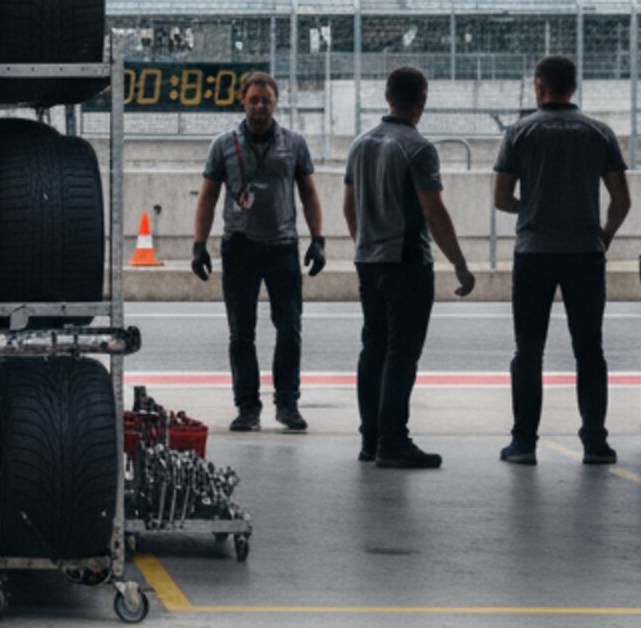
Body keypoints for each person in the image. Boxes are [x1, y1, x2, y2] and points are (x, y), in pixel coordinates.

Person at [492, 54, 631, 467]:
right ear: (574, 86)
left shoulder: (520, 133)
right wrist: (601, 237)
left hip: (534, 253)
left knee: (528, 350)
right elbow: (621, 201)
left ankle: (523, 444)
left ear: (539, 86)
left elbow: (501, 199)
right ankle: (595, 443)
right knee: (590, 349)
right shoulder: (599, 133)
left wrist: (534, 207)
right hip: (584, 252)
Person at [342, 65, 477, 468]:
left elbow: (349, 207)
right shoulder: (419, 148)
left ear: (387, 97)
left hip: (369, 261)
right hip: (405, 263)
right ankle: (394, 441)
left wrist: (365, 244)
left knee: (373, 349)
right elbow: (433, 213)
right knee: (402, 354)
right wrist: (460, 265)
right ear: (422, 100)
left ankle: (370, 439)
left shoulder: (360, 145)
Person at [191, 69, 328, 431]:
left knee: (290, 329)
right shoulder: (223, 144)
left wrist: (318, 239)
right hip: (239, 248)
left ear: (276, 103)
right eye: (253, 100)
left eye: (266, 100)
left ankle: (288, 405)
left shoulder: (294, 144)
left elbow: (309, 193)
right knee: (241, 334)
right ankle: (247, 408)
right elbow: (207, 197)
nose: (260, 107)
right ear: (242, 101)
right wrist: (199, 245)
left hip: (283, 247)